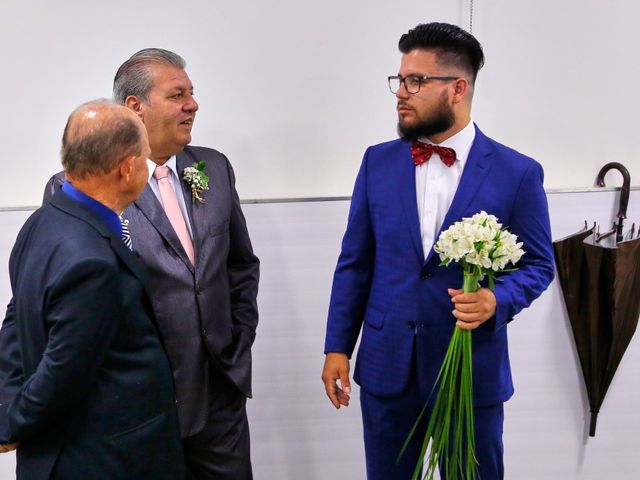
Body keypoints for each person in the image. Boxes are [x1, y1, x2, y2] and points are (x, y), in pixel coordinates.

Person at [321, 22, 554, 479]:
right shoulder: (377, 162)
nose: (401, 93)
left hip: (470, 371)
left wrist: (496, 300)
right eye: (400, 79)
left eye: (417, 81)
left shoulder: (518, 172)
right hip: (388, 368)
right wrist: (337, 347)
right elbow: (355, 263)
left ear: (458, 88)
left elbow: (539, 264)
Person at [44, 49, 259, 479]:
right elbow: (72, 301)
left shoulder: (213, 167)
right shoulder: (81, 187)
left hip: (220, 390)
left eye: (192, 93)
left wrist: (237, 336)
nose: (192, 104)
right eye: (177, 94)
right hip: (138, 405)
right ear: (134, 108)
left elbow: (240, 264)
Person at [0, 101, 184, 479]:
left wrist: (6, 405)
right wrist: (10, 425)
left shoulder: (42, 221)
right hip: (104, 458)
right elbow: (63, 371)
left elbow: (15, 326)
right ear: (127, 168)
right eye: (145, 158)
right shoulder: (91, 260)